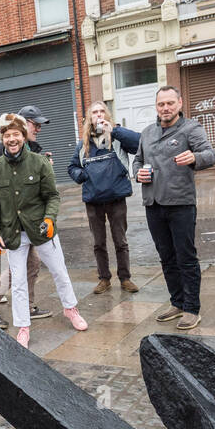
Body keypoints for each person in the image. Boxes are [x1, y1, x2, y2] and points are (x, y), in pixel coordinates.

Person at [0, 113, 88, 347]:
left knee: (59, 271)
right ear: (3, 139)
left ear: (23, 137)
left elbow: (52, 196)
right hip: (13, 234)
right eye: (7, 135)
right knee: (19, 282)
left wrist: (50, 218)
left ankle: (70, 309)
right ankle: (23, 326)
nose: (12, 139)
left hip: (42, 229)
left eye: (16, 135)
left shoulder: (39, 162)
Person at [131, 85, 215, 330]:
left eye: (170, 103)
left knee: (186, 257)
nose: (165, 108)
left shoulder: (191, 128)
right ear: (156, 107)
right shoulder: (147, 132)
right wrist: (138, 173)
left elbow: (210, 155)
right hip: (153, 203)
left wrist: (195, 158)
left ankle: (192, 308)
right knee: (166, 257)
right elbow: (137, 160)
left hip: (181, 203)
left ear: (179, 103)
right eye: (161, 104)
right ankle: (177, 302)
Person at [0, 105, 54, 325]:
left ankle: (26, 306)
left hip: (23, 222)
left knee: (32, 264)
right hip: (5, 221)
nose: (38, 128)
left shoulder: (28, 149)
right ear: (23, 124)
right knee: (18, 267)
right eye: (35, 124)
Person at [69, 101, 141, 295]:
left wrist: (115, 131)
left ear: (107, 115)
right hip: (93, 200)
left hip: (116, 197)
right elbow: (72, 167)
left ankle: (125, 278)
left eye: (102, 111)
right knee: (98, 242)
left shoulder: (117, 137)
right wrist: (82, 176)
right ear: (89, 118)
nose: (99, 115)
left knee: (121, 240)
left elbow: (139, 144)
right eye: (95, 112)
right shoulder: (83, 143)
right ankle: (104, 279)